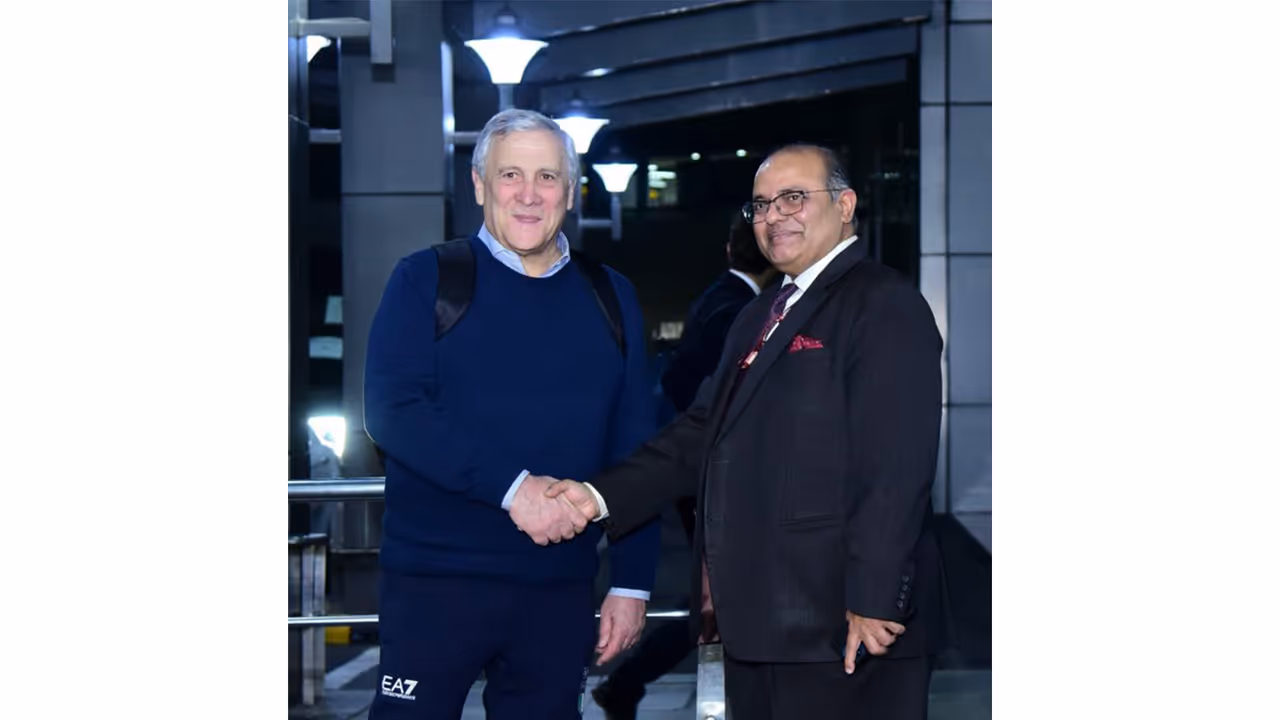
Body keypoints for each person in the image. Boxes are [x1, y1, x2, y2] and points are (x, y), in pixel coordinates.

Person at [549, 144, 946, 720]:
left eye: (793, 198)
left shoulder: (884, 304)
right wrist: (596, 496)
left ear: (846, 205)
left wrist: (876, 599)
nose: (773, 216)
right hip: (762, 623)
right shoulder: (759, 314)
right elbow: (698, 432)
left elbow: (896, 467)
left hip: (847, 626)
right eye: (761, 205)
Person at [362, 108, 661, 720]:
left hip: (557, 591)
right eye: (510, 176)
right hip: (434, 585)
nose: (529, 195)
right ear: (478, 185)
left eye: (548, 177)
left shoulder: (612, 296)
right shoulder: (427, 279)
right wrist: (513, 490)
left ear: (571, 192)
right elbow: (393, 411)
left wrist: (632, 584)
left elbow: (636, 448)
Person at [592, 213, 778, 719]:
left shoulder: (720, 297)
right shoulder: (741, 310)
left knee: (719, 602)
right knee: (720, 601)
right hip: (713, 476)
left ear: (728, 252)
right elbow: (707, 394)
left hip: (698, 470)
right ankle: (627, 683)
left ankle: (626, 685)